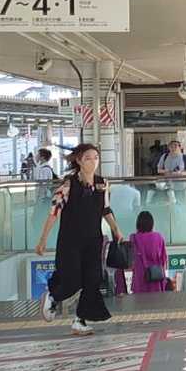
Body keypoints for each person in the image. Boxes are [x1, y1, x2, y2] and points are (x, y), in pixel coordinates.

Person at [34, 143, 125, 336]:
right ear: (79, 161)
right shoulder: (68, 185)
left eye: (96, 158)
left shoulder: (102, 184)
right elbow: (54, 212)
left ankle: (80, 320)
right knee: (73, 280)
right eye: (88, 158)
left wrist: (116, 229)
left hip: (94, 240)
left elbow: (106, 209)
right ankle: (53, 296)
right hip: (70, 241)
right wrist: (43, 240)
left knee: (93, 280)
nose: (93, 162)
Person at [128, 210, 171, 294]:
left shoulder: (133, 238)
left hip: (140, 278)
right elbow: (163, 258)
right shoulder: (158, 237)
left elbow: (130, 260)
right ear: (152, 224)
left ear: (138, 224)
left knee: (140, 301)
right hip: (156, 278)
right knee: (157, 300)